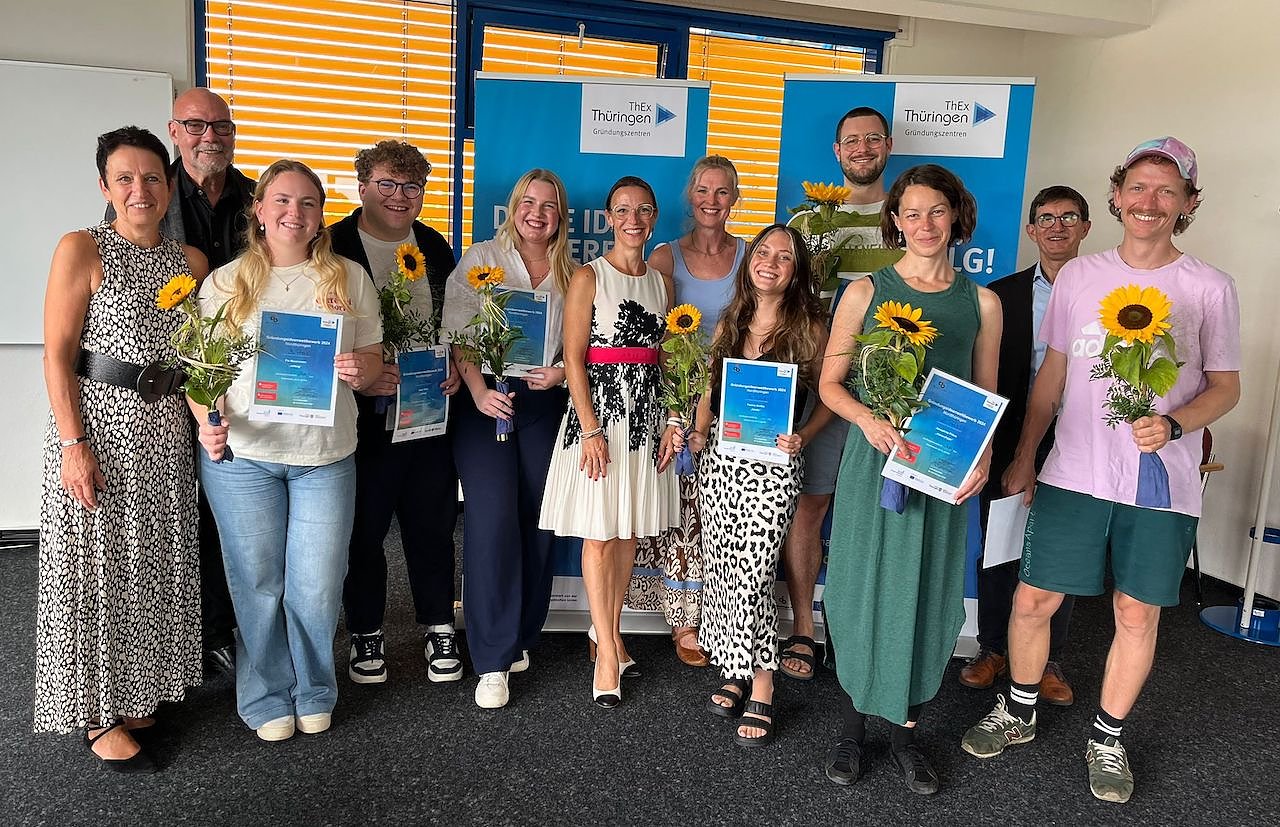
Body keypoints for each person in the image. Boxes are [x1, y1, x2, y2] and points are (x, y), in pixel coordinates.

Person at [961, 137, 1241, 805]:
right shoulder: (1081, 278)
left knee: (1135, 613)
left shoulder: (1210, 287)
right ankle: (1019, 709)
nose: (1150, 201)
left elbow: (1227, 387)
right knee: (1032, 599)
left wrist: (1175, 424)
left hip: (1160, 481)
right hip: (1074, 473)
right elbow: (1052, 376)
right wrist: (1025, 454)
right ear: (1116, 196)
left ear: (1187, 203)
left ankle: (1108, 737)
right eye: (1137, 186)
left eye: (1167, 191)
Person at [819, 164, 1001, 794]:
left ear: (956, 216)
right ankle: (850, 730)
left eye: (937, 211)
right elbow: (830, 385)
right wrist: (869, 420)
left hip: (941, 469)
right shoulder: (866, 292)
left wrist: (982, 457)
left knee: (926, 592)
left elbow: (986, 395)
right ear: (895, 220)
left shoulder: (982, 303)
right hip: (874, 461)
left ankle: (905, 735)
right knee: (859, 588)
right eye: (913, 213)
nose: (925, 224)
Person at [36, 126, 209, 772]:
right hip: (99, 430)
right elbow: (57, 356)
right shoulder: (82, 248)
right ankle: (96, 712)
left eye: (153, 177)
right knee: (98, 570)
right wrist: (73, 444)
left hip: (165, 433)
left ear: (169, 186)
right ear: (105, 187)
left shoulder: (192, 263)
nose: (141, 189)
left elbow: (199, 355)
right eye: (126, 178)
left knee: (152, 563)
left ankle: (138, 694)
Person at [193, 159, 384, 741]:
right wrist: (205, 423)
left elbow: (374, 357)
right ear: (258, 209)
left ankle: (315, 689)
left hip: (324, 458)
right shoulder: (225, 283)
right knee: (256, 583)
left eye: (307, 202)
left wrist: (361, 369)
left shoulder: (348, 277)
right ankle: (266, 694)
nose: (293, 213)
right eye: (281, 200)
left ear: (321, 215)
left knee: (317, 586)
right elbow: (201, 372)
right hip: (244, 456)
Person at [106, 87, 255, 677]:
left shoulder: (256, 198)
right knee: (174, 520)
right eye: (195, 125)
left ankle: (241, 624)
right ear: (174, 130)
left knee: (232, 509)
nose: (209, 135)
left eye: (221, 125)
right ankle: (204, 632)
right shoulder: (148, 194)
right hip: (167, 391)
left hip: (246, 379)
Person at [538, 175, 680, 709]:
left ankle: (610, 632)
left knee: (626, 533)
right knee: (599, 535)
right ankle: (604, 653)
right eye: (623, 210)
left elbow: (668, 359)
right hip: (600, 416)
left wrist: (671, 420)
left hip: (645, 418)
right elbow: (574, 358)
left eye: (643, 210)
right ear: (609, 217)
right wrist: (591, 428)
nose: (633, 220)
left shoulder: (662, 283)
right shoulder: (588, 277)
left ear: (654, 216)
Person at [687, 224, 830, 746]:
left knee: (754, 572)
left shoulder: (811, 328)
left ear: (796, 272)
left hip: (773, 467)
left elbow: (831, 398)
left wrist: (803, 436)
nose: (770, 262)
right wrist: (698, 430)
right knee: (724, 571)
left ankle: (763, 683)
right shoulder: (732, 319)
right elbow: (709, 388)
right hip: (720, 463)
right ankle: (735, 667)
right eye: (763, 251)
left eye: (784, 257)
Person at [329, 140, 462, 687]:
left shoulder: (434, 246)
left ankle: (438, 624)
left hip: (428, 412)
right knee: (362, 531)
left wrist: (458, 366)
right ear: (362, 187)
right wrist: (363, 372)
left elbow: (456, 321)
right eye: (386, 184)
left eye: (412, 187)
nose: (399, 196)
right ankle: (366, 630)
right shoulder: (330, 244)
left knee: (433, 524)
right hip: (359, 418)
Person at [442, 169, 576, 709]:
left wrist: (561, 373)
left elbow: (585, 344)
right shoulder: (482, 259)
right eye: (529, 202)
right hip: (486, 403)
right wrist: (477, 391)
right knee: (492, 520)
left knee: (538, 520)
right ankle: (492, 659)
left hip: (546, 404)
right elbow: (458, 333)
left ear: (561, 216)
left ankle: (521, 633)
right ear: (514, 206)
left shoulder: (573, 273)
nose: (537, 213)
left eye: (549, 205)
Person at [780, 106, 903, 681]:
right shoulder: (807, 221)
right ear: (836, 151)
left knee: (882, 512)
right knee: (810, 506)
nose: (862, 148)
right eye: (851, 140)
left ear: (888, 146)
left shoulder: (907, 216)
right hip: (818, 385)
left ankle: (864, 631)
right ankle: (804, 628)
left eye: (873, 139)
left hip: (888, 391)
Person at [962, 185, 1092, 704]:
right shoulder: (1001, 295)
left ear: (1085, 228)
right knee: (999, 544)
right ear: (1031, 230)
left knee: (1060, 550)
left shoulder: (1107, 294)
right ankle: (993, 648)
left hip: (1079, 439)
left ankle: (1049, 659)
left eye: (1069, 217)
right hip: (1010, 433)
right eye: (1047, 218)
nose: (1057, 226)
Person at [629, 154, 746, 668]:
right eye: (703, 191)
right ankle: (683, 620)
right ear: (689, 196)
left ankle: (719, 615)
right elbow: (653, 335)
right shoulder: (665, 257)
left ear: (734, 198)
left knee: (720, 516)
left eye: (722, 192)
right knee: (679, 509)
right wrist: (680, 411)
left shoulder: (750, 255)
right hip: (675, 396)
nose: (711, 201)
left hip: (733, 399)